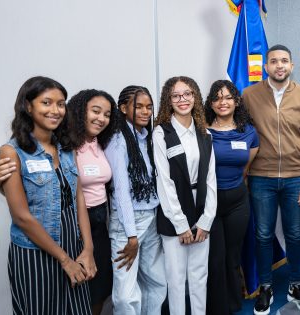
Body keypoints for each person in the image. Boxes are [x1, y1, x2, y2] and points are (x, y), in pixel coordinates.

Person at [0, 76, 95, 314]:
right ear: (28, 106)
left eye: (61, 103)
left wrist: (88, 249)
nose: (55, 110)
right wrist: (65, 261)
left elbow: (79, 198)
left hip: (73, 245)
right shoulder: (12, 152)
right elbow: (21, 217)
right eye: (46, 102)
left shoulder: (66, 147)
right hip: (35, 253)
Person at [241, 44, 300, 315]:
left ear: (292, 65)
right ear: (266, 67)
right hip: (260, 178)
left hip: (295, 178)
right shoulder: (249, 95)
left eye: (284, 61)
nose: (279, 65)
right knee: (262, 234)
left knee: (295, 234)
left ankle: (295, 283)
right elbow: (241, 133)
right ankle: (265, 286)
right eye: (273, 61)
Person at [153, 76, 217, 315]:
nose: (183, 99)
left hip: (201, 211)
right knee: (177, 279)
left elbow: (211, 179)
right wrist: (180, 224)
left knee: (199, 276)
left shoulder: (205, 133)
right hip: (174, 215)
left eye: (187, 94)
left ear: (195, 97)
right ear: (169, 100)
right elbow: (164, 182)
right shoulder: (161, 133)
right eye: (176, 95)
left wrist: (206, 220)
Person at [104, 85, 166, 314]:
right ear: (123, 108)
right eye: (138, 106)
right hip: (127, 224)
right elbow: (120, 191)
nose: (145, 111)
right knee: (126, 294)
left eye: (149, 107)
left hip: (151, 218)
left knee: (157, 282)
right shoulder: (118, 141)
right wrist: (131, 236)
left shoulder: (146, 137)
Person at [204, 80, 259, 314]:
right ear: (211, 103)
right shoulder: (202, 130)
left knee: (232, 255)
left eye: (227, 97)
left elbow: (246, 168)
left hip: (238, 201)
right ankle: (216, 306)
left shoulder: (249, 132)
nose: (222, 102)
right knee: (215, 257)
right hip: (210, 202)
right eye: (217, 98)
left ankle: (234, 303)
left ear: (237, 101)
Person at [63, 89, 118, 315]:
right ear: (79, 111)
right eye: (95, 111)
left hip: (100, 222)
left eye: (106, 114)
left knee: (100, 285)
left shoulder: (100, 143)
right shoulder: (66, 145)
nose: (101, 118)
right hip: (75, 224)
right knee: (76, 287)